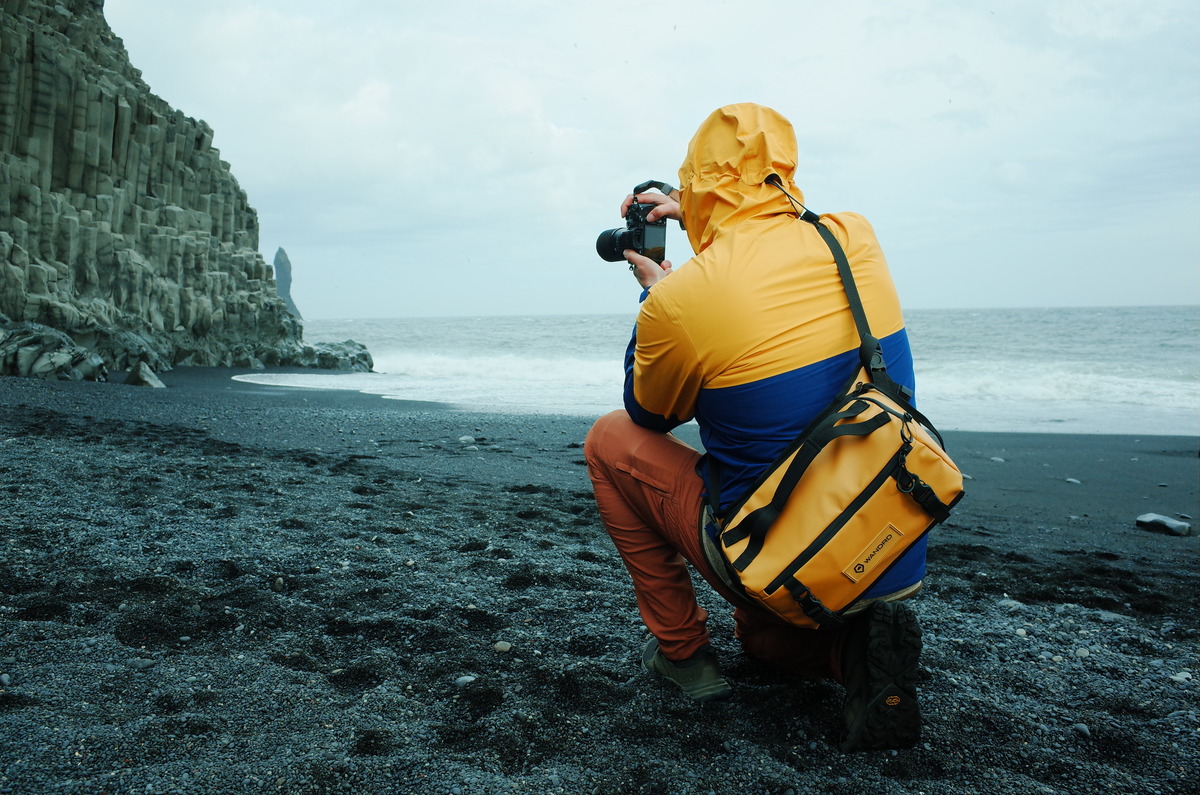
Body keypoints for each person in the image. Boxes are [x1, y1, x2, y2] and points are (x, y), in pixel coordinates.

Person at [584, 103, 926, 752]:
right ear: (783, 168)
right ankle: (854, 652)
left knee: (607, 441)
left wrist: (655, 297)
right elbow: (773, 226)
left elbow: (647, 413)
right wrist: (701, 209)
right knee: (762, 641)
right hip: (895, 536)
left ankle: (684, 656)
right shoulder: (853, 235)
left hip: (782, 550)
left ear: (697, 185)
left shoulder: (686, 300)